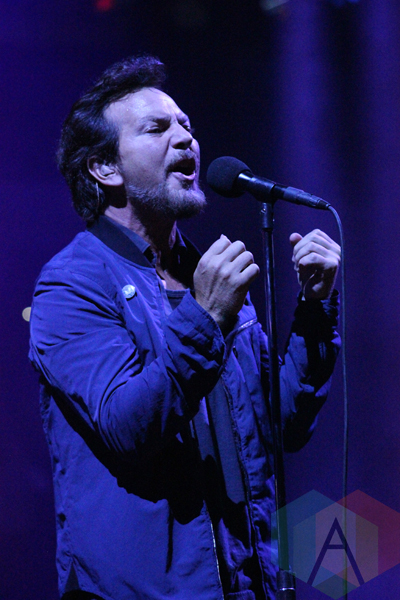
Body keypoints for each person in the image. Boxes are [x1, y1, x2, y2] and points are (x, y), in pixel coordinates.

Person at [29, 55, 341, 600]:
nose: (186, 139)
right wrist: (204, 317)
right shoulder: (71, 284)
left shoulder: (205, 277)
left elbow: (281, 426)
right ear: (105, 168)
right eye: (157, 128)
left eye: (187, 125)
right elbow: (129, 427)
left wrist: (314, 309)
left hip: (247, 583)